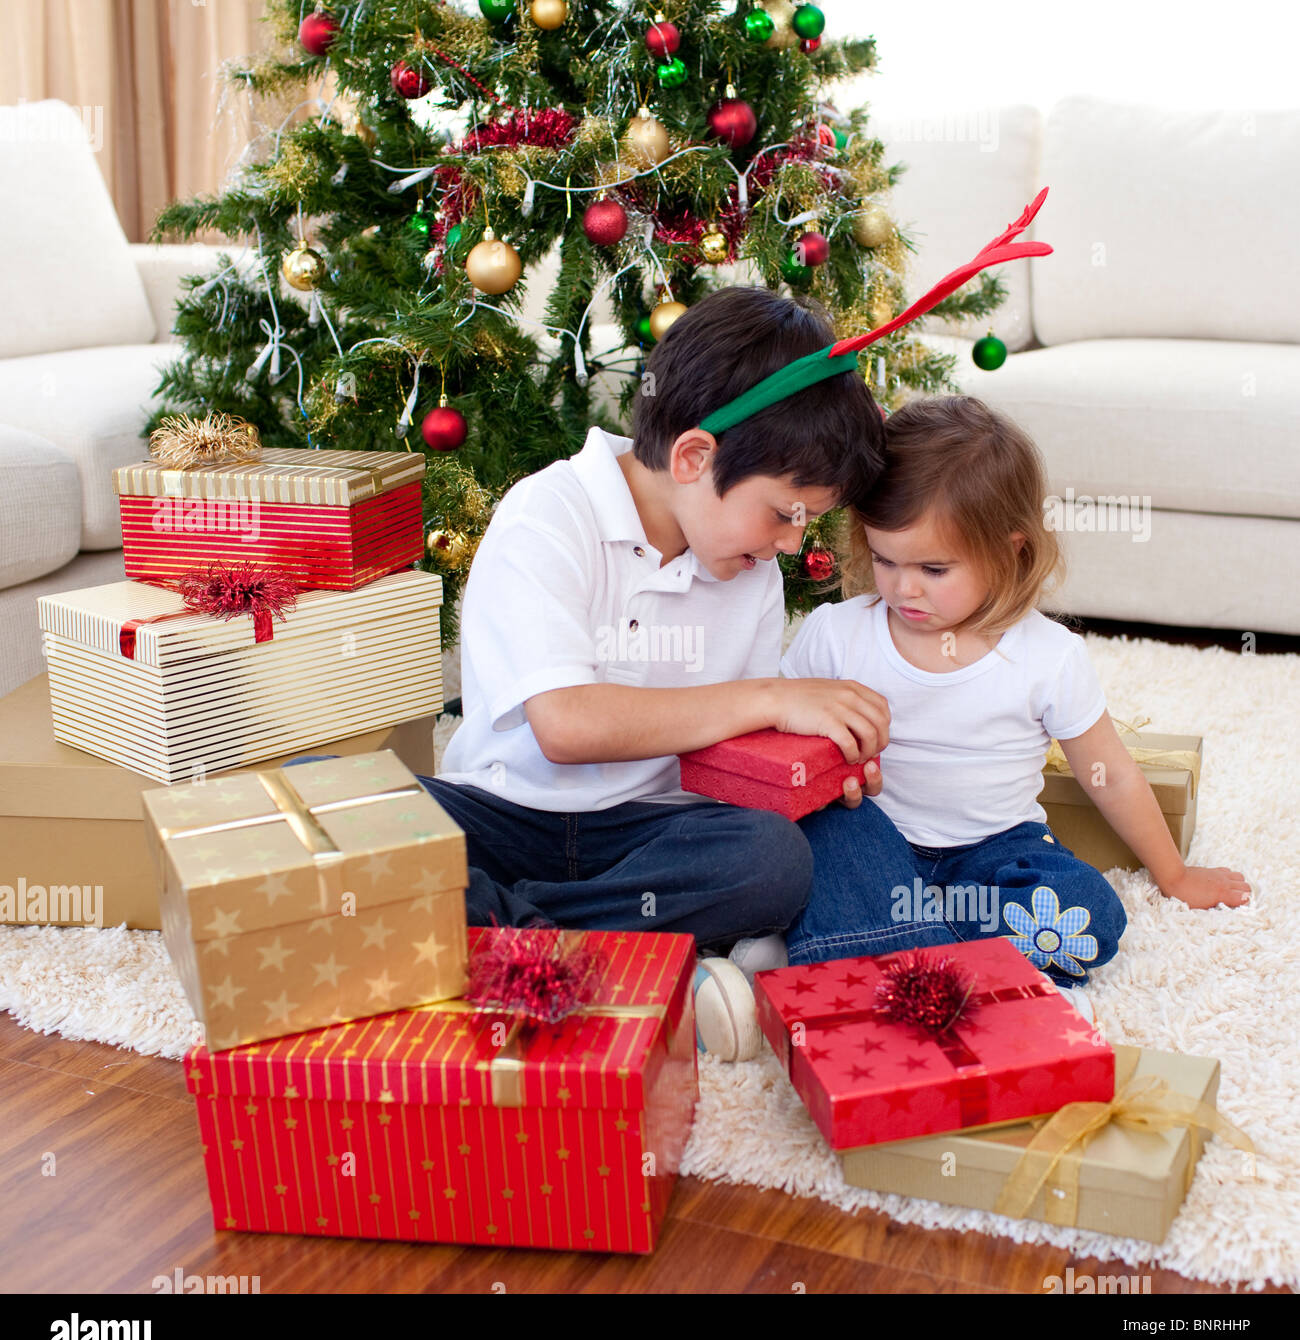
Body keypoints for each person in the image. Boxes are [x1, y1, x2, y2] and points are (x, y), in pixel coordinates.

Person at [422, 286, 890, 1058]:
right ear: (695, 457)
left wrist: (804, 774)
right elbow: (567, 726)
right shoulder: (547, 515)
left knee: (772, 859)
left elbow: (721, 754)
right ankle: (629, 958)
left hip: (642, 834)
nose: (786, 542)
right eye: (784, 512)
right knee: (357, 817)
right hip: (502, 813)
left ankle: (519, 939)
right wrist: (770, 696)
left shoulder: (751, 575)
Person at [781, 393, 1252, 1020]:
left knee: (1092, 909)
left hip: (997, 851)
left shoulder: (1048, 656)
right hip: (876, 838)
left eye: (934, 568)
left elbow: (1107, 771)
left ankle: (889, 946)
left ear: (1010, 551)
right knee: (818, 843)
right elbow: (776, 743)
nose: (903, 586)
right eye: (886, 560)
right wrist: (826, 772)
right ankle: (940, 954)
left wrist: (1174, 874)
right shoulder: (836, 632)